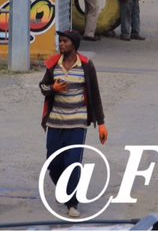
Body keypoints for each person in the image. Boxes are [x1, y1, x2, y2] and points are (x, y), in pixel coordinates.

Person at [39, 30, 108, 219]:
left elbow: (95, 95)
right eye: (60, 41)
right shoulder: (53, 64)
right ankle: (64, 189)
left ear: (74, 45)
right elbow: (43, 87)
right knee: (53, 164)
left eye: (65, 41)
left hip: (77, 122)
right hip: (55, 122)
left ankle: (72, 202)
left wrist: (101, 123)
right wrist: (53, 88)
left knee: (73, 162)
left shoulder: (86, 65)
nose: (61, 44)